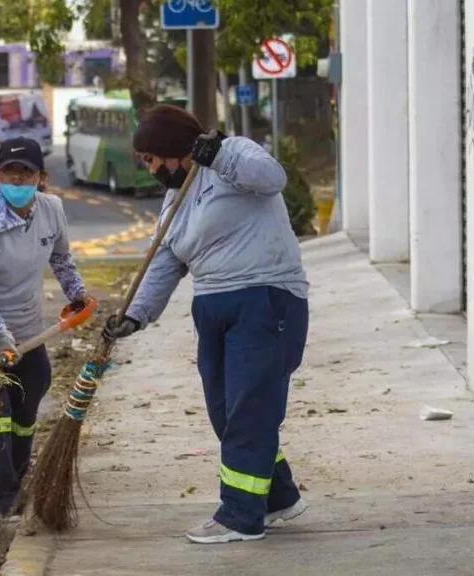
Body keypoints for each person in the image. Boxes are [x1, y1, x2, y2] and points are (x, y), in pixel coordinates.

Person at [103, 105, 310, 544]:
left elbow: (273, 178)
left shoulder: (232, 156)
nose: (150, 168)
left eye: (151, 159)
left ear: (172, 149)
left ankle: (240, 516)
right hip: (212, 307)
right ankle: (279, 498)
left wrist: (219, 155)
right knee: (226, 413)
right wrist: (134, 316)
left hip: (265, 300)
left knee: (250, 411)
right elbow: (163, 264)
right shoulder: (173, 202)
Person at [0, 136, 91, 522]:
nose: (17, 179)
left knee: (31, 394)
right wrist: (1, 334)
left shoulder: (51, 210)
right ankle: (4, 501)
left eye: (26, 172)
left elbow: (61, 258)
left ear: (41, 177)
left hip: (25, 325)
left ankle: (21, 480)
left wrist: (78, 295)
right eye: (9, 171)